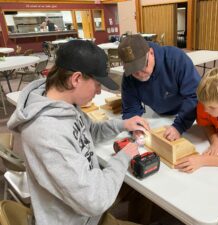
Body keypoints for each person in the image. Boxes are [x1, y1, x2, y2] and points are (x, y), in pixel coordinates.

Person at [7, 40, 150, 225]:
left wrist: (123, 125)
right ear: (76, 79)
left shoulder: (64, 104)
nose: (99, 91)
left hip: (85, 198)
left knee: (139, 189)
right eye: (98, 84)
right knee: (135, 182)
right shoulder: (45, 133)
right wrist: (126, 153)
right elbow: (95, 200)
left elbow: (90, 131)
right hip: (77, 218)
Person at [118, 34, 201, 141]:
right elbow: (130, 108)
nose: (140, 74)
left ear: (151, 53)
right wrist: (135, 127)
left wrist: (179, 126)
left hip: (187, 114)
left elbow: (194, 95)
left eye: (143, 66)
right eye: (134, 70)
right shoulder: (128, 78)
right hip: (159, 115)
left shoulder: (175, 59)